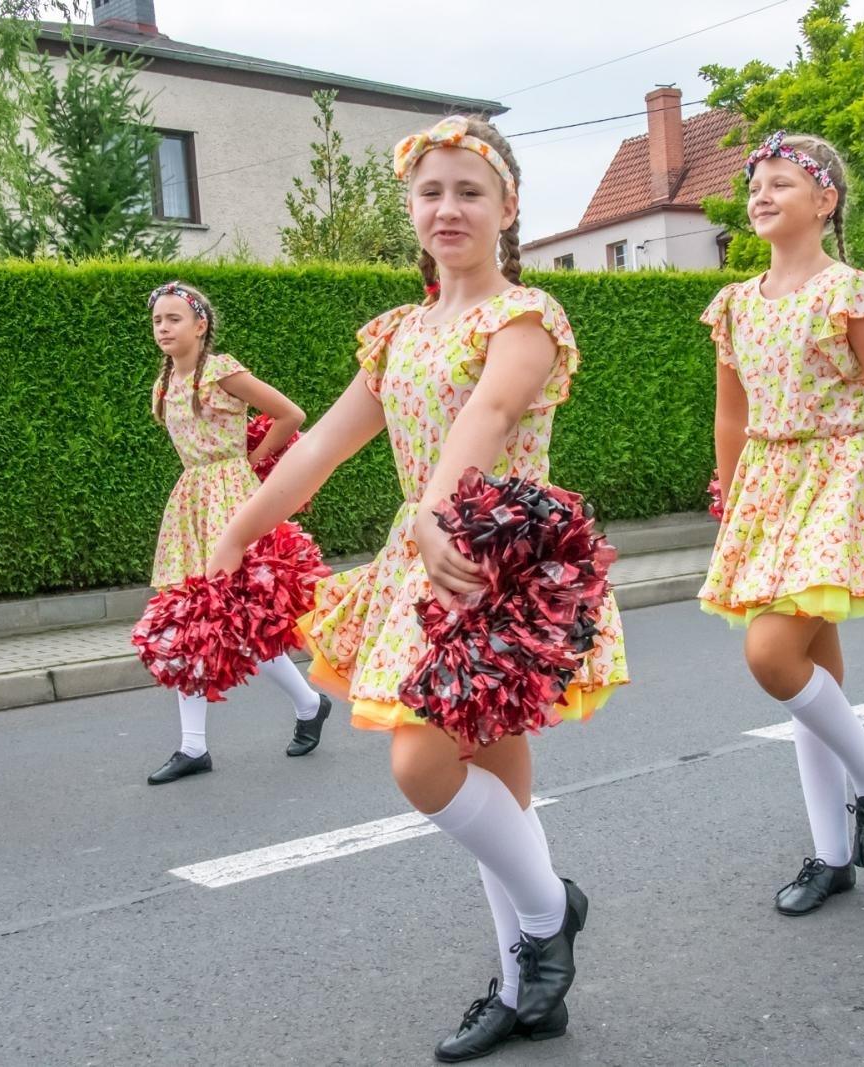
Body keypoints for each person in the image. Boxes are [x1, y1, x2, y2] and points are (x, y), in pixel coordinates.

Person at [205, 115, 627, 1061]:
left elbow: (491, 411)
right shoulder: (397, 332)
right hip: (423, 554)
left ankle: (549, 914)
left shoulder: (526, 319)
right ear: (409, 207)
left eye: (469, 192)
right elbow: (317, 447)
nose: (448, 208)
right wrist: (238, 528)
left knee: (422, 764)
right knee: (494, 787)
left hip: (497, 563)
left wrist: (439, 513)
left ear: (508, 208)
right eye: (431, 191)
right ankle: (528, 981)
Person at [700, 131, 864, 917]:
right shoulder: (736, 304)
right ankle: (831, 852)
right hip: (769, 487)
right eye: (756, 184)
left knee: (773, 655)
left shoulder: (852, 290)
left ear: (825, 201)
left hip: (840, 476)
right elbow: (730, 416)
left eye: (782, 182)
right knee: (816, 683)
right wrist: (732, 506)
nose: (762, 194)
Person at [142, 281, 329, 785]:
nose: (164, 328)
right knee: (191, 619)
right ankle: (196, 744)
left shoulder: (223, 370)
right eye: (158, 320)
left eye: (174, 318)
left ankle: (308, 705)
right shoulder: (164, 385)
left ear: (200, 325)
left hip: (231, 497)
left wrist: (254, 459)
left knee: (236, 619)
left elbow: (291, 414)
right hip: (191, 503)